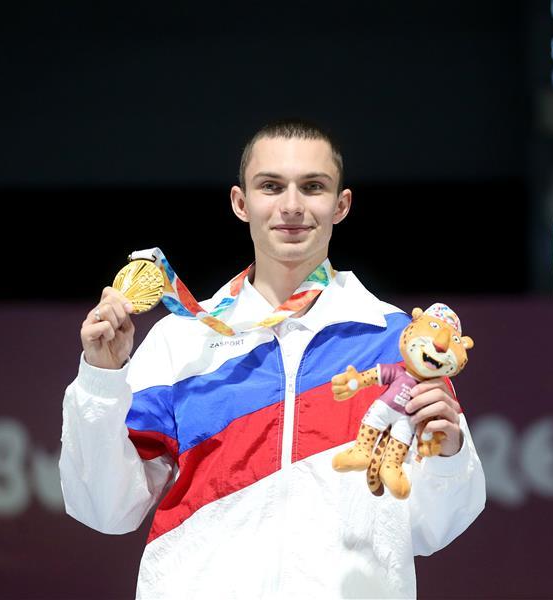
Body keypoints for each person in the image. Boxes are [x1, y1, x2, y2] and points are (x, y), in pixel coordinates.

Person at [58, 119, 486, 599]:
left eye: (313, 187)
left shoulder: (397, 345)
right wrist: (101, 379)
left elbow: (433, 527)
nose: (292, 206)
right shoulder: (182, 342)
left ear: (340, 205)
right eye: (271, 186)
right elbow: (107, 508)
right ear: (241, 203)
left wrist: (450, 458)